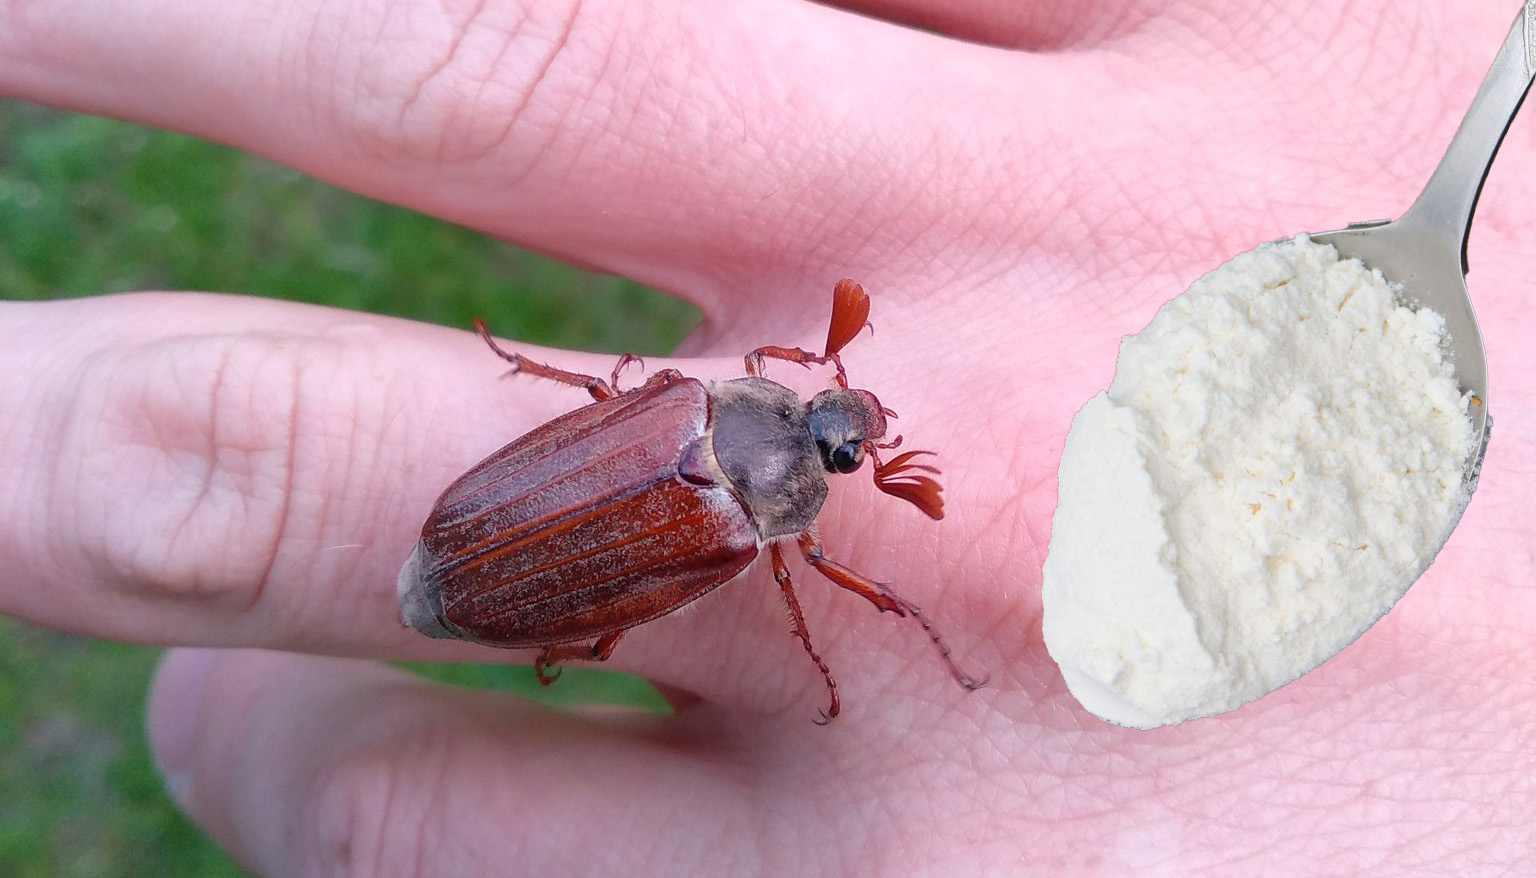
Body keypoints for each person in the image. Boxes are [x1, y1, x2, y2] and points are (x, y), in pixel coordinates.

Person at [2, 0, 1532, 873]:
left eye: (834, 424)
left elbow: (656, 427)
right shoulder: (742, 498)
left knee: (601, 460)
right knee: (627, 512)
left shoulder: (708, 438)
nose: (829, 412)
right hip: (495, 551)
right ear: (790, 414)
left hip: (502, 559)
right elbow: (724, 473)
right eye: (833, 415)